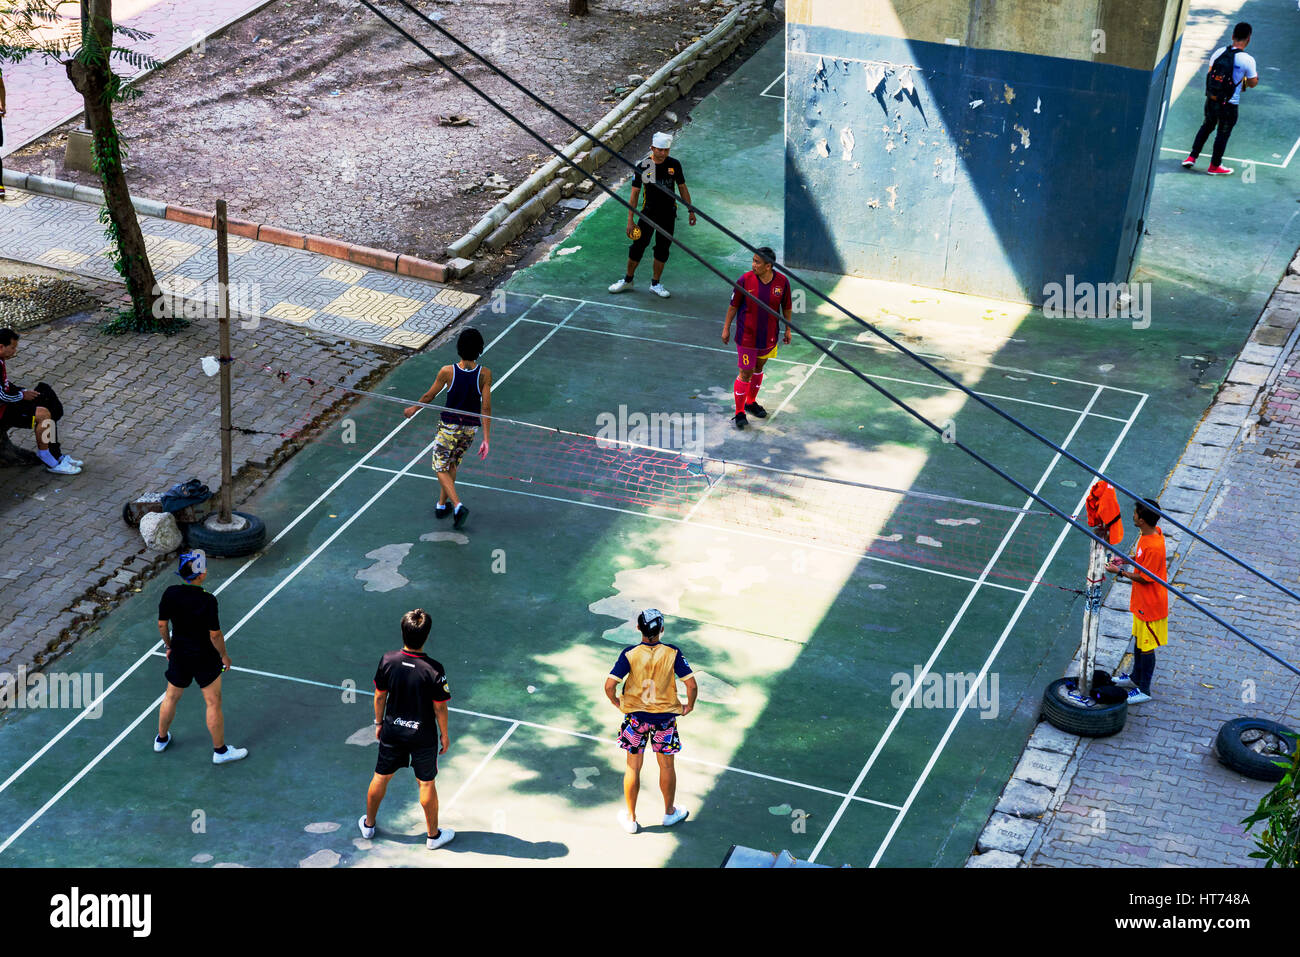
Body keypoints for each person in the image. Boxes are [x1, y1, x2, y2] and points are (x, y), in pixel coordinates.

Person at [359, 609, 454, 850]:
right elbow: (440, 708)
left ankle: (368, 825)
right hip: (423, 735)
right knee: (426, 783)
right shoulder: (434, 669)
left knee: (380, 776)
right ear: (427, 635)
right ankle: (433, 837)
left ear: (403, 631)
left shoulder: (388, 660)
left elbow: (380, 696)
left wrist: (378, 723)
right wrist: (444, 734)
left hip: (393, 730)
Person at [603, 608, 697, 833]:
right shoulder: (673, 653)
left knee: (632, 767)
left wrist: (618, 703)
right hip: (664, 721)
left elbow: (609, 686)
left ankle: (631, 818)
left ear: (638, 629)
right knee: (666, 766)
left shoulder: (629, 654)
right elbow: (691, 685)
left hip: (635, 719)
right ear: (662, 629)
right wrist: (689, 706)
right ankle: (669, 813)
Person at [154, 550, 248, 764]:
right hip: (205, 657)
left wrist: (169, 646)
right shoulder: (208, 600)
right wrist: (224, 656)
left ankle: (161, 739)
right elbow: (214, 634)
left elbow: (162, 624)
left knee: (171, 697)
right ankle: (221, 752)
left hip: (179, 653)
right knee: (213, 702)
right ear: (200, 576)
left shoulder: (170, 593)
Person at [404, 328, 491, 530]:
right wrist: (486, 439)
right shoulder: (485, 374)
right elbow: (485, 408)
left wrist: (413, 409)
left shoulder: (447, 371)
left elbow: (429, 396)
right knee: (451, 464)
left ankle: (458, 506)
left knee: (439, 467)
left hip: (449, 427)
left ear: (459, 349)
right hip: (470, 429)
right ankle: (442, 505)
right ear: (480, 349)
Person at [607, 131, 696, 299]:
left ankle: (655, 284)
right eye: (660, 150)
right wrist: (630, 221)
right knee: (637, 247)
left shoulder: (674, 165)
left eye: (666, 150)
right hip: (648, 214)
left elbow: (682, 187)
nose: (663, 153)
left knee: (663, 250)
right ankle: (628, 280)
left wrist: (690, 210)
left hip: (668, 215)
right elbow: (634, 195)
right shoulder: (644, 166)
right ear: (652, 148)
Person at [720, 247, 792, 430]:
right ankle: (739, 412)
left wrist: (788, 330)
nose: (753, 265)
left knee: (759, 368)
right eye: (753, 260)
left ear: (768, 266)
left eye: (757, 262)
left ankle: (750, 402)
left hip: (769, 336)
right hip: (746, 337)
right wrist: (726, 328)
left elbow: (787, 307)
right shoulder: (744, 280)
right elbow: (733, 306)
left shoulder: (782, 282)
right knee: (745, 373)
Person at [1106, 499, 1168, 705]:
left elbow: (1146, 577)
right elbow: (1142, 560)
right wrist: (1125, 559)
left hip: (1151, 606)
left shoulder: (1154, 545)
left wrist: (1120, 572)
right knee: (1139, 642)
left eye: (1135, 514)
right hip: (1142, 603)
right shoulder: (1152, 533)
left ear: (1141, 520)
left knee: (1147, 647)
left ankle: (1145, 689)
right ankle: (1134, 677)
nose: (1132, 516)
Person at [0, 328, 82, 474]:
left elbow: (5, 384)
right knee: (44, 415)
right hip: (3, 411)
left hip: (8, 403)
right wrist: (21, 396)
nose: (15, 351)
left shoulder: (0, 360)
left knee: (45, 395)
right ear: (1, 346)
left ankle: (54, 452)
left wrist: (22, 390)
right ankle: (48, 458)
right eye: (12, 347)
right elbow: (1, 396)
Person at [1183, 22, 1258, 176]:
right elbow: (1252, 83)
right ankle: (1214, 166)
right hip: (1229, 104)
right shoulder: (1248, 60)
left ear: (1232, 36)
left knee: (1206, 126)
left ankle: (1192, 157)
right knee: (1222, 134)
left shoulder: (1219, 52)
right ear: (1248, 39)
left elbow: (1211, 73)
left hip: (1212, 99)